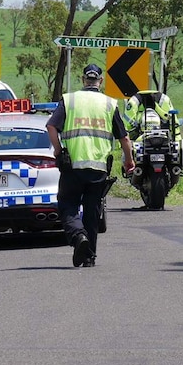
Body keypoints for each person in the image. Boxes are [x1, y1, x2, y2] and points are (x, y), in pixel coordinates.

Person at [46, 64, 135, 268]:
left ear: (83, 79)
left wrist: (58, 151)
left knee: (67, 205)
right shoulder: (109, 104)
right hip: (98, 169)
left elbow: (51, 126)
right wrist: (129, 160)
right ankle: (89, 257)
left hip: (72, 167)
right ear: (100, 81)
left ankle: (79, 238)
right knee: (93, 211)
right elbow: (124, 138)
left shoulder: (70, 100)